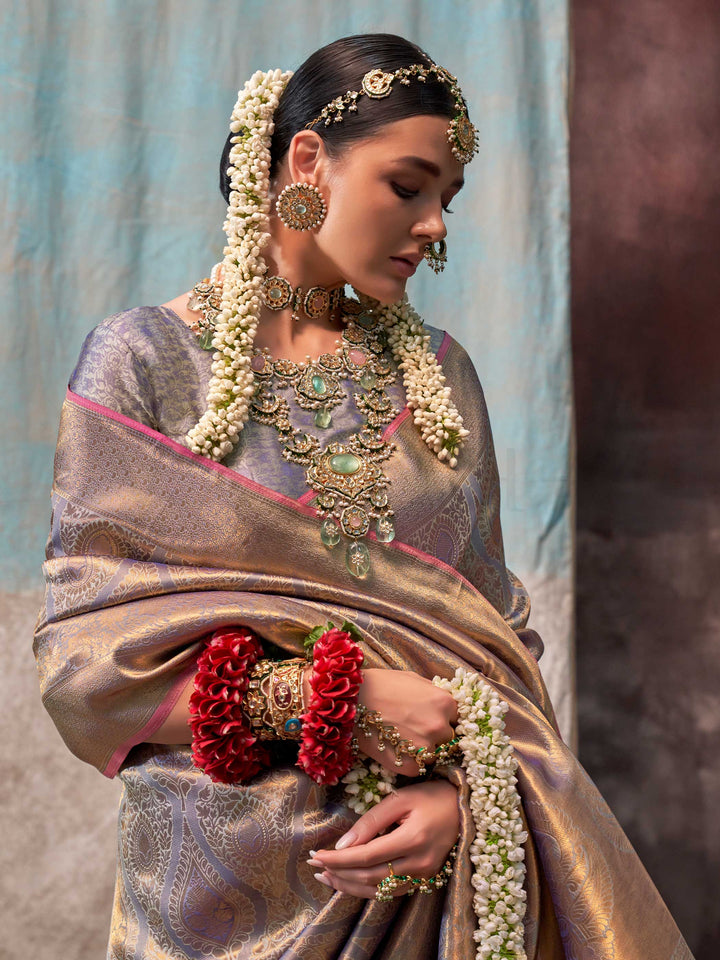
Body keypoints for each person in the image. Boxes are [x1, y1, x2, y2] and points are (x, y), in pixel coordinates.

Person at [34, 33, 692, 960]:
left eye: (447, 199)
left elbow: (498, 636)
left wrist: (462, 799)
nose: (436, 225)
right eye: (407, 185)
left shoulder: (442, 378)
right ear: (308, 162)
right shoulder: (146, 364)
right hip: (214, 897)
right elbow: (82, 669)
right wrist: (333, 702)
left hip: (418, 894)